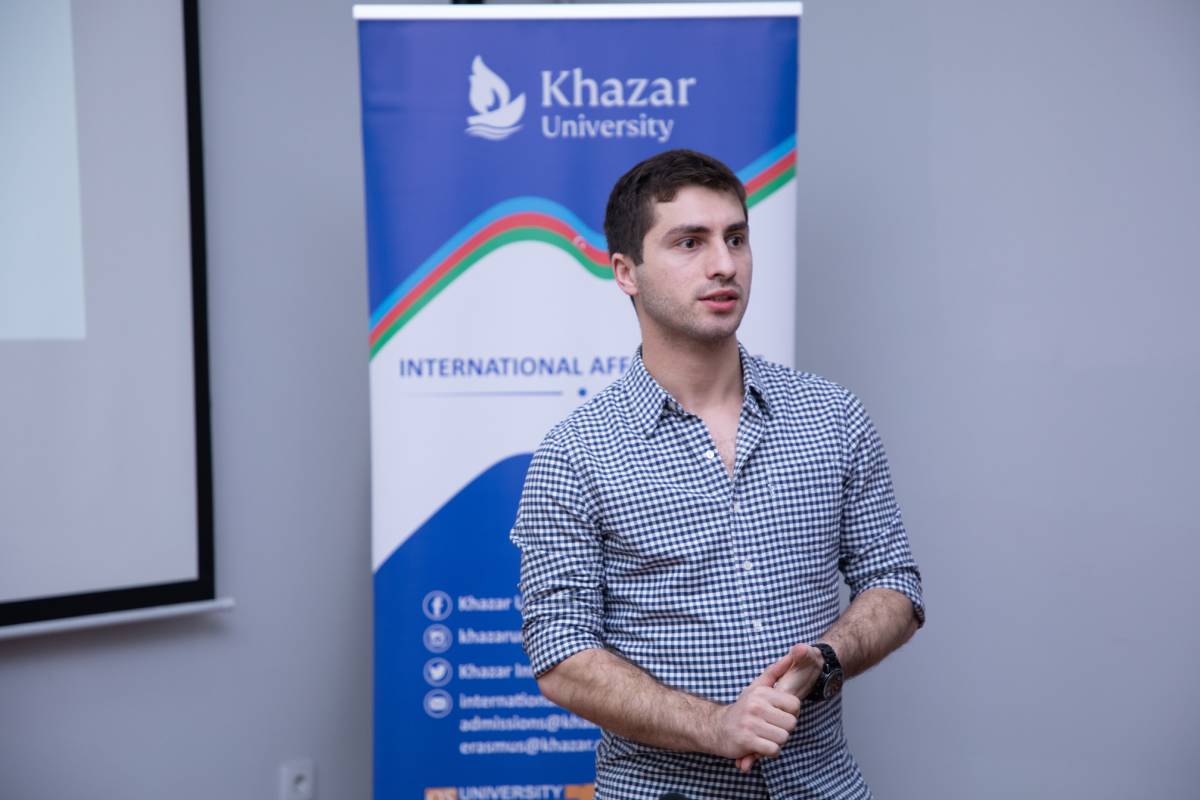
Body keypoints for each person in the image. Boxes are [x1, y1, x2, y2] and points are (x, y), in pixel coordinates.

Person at [509, 149, 924, 799]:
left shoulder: (833, 416)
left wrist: (826, 659)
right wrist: (716, 726)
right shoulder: (576, 453)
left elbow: (894, 582)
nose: (724, 264)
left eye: (735, 238)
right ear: (626, 272)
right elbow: (561, 656)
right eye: (689, 242)